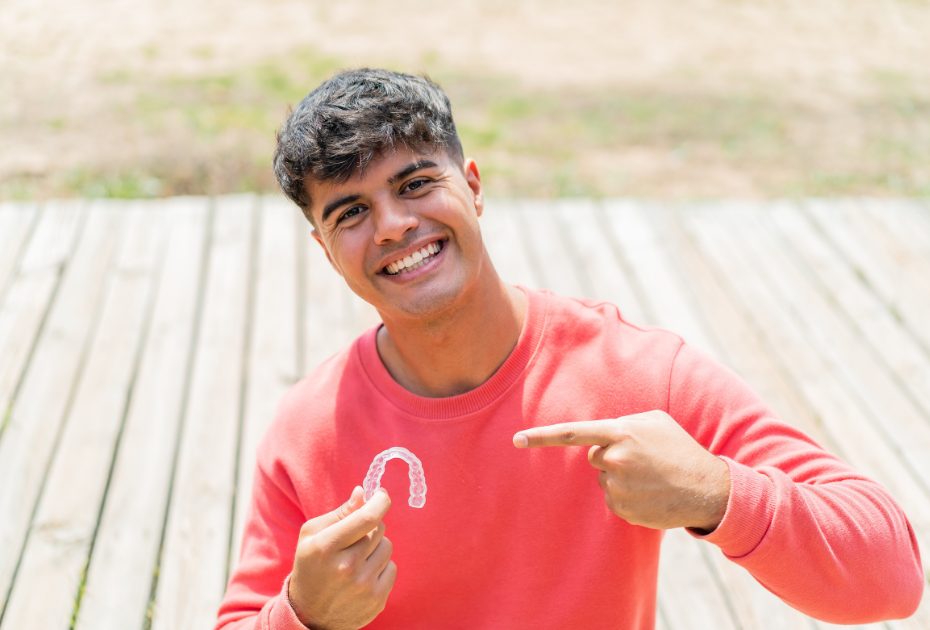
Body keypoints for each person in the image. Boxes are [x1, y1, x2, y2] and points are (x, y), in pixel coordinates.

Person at [214, 68, 923, 630]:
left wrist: (716, 494)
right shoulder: (308, 431)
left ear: (473, 186)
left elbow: (892, 576)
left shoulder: (636, 376)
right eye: (352, 213)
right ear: (326, 251)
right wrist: (300, 619)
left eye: (416, 184)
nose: (395, 226)